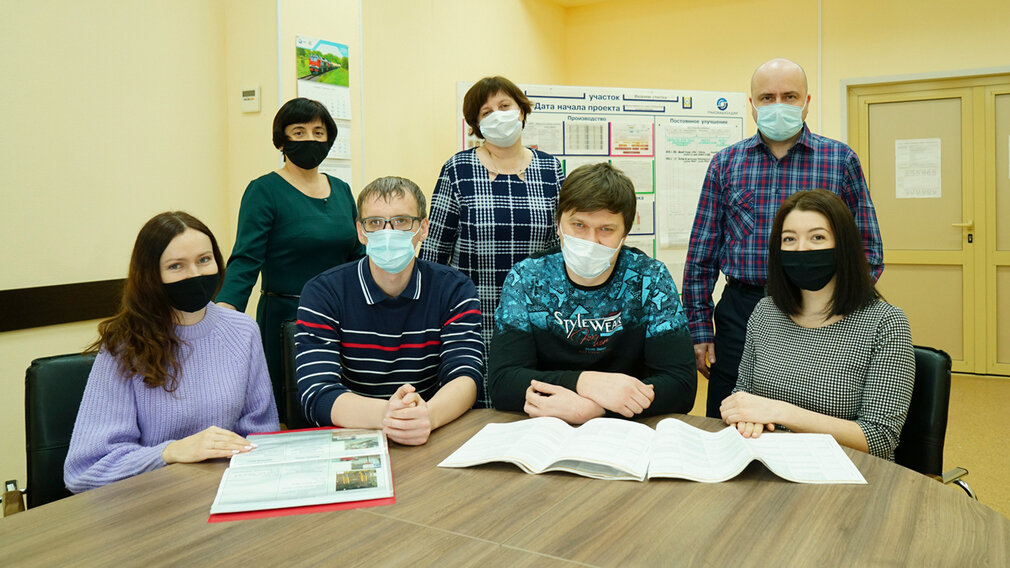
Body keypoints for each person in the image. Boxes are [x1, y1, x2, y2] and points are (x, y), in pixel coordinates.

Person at [683, 58, 885, 418]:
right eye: (767, 97)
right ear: (752, 105)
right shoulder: (725, 164)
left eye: (790, 96)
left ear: (807, 101)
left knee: (809, 412)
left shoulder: (840, 160)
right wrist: (699, 329)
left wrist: (838, 308)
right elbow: (701, 256)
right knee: (729, 414)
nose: (778, 105)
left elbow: (868, 249)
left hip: (819, 308)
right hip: (742, 309)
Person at [65, 212, 279, 493]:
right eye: (176, 266)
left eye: (204, 260)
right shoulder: (124, 343)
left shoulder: (243, 330)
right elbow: (85, 470)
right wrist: (171, 452)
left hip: (226, 490)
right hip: (152, 498)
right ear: (151, 275)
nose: (195, 274)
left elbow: (262, 435)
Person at [488, 163, 696, 424]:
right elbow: (503, 382)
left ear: (625, 234)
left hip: (628, 428)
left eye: (606, 229)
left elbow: (681, 385)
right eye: (578, 225)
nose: (590, 241)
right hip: (544, 425)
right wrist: (584, 382)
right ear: (558, 224)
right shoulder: (527, 277)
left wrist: (596, 410)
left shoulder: (650, 278)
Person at [720, 190, 913, 461]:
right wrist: (743, 415)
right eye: (789, 239)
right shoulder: (765, 312)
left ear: (843, 245)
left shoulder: (885, 322)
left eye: (817, 237)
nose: (802, 249)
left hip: (847, 471)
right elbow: (742, 395)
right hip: (770, 462)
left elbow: (880, 438)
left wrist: (780, 412)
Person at [296, 176, 483, 445]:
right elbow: (316, 391)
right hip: (353, 436)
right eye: (375, 223)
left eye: (401, 221)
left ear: (423, 228)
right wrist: (390, 415)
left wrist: (427, 416)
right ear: (361, 231)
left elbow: (465, 374)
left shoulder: (454, 288)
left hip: (430, 432)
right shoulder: (323, 292)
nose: (388, 233)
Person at [419, 76, 564, 407]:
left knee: (536, 405)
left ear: (521, 111)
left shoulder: (550, 169)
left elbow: (562, 245)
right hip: (474, 315)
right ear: (476, 124)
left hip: (537, 316)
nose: (497, 115)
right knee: (475, 408)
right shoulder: (458, 169)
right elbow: (434, 252)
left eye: (504, 106)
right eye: (486, 112)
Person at [216, 98, 364, 423]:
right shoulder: (264, 190)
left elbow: (358, 256)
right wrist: (220, 320)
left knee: (341, 409)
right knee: (293, 415)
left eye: (318, 132)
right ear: (281, 140)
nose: (310, 139)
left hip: (340, 317)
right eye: (299, 132)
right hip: (287, 320)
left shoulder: (341, 190)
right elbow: (245, 260)